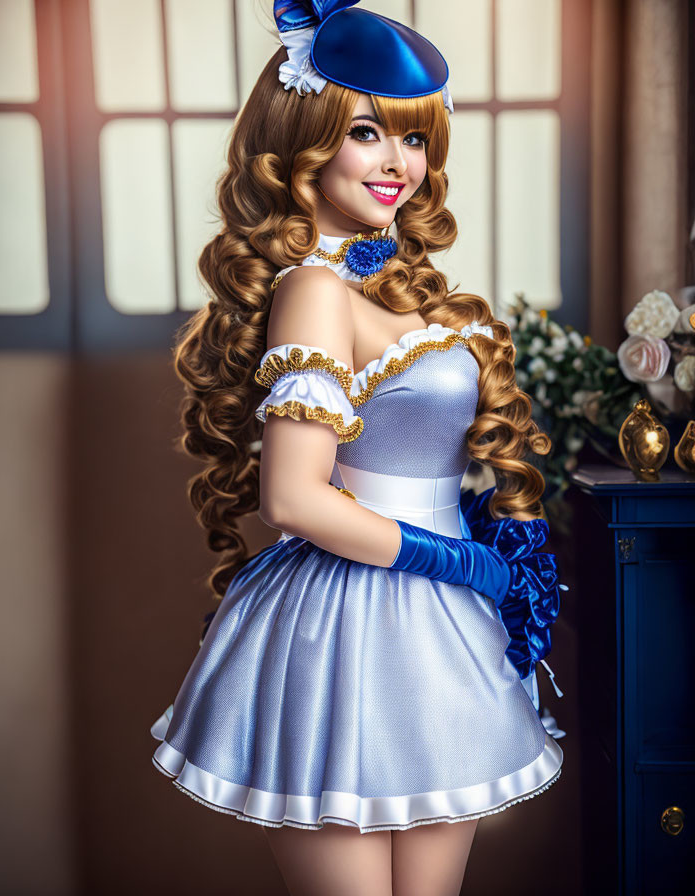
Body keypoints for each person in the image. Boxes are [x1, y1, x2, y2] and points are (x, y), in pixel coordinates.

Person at [150, 3, 565, 893]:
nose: (397, 164)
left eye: (413, 140)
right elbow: (293, 500)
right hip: (351, 623)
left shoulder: (399, 284)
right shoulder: (311, 288)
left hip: (437, 623)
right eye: (367, 132)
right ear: (301, 141)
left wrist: (498, 536)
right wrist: (464, 565)